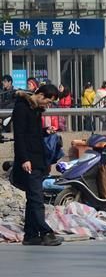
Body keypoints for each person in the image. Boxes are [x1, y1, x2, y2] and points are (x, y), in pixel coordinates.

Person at [11, 84, 63, 246]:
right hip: (29, 161)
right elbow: (19, 136)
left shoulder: (34, 110)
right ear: (39, 94)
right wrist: (24, 159)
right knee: (36, 198)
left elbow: (32, 133)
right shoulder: (21, 108)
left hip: (38, 159)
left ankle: (31, 235)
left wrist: (45, 131)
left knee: (33, 198)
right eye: (47, 101)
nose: (47, 105)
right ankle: (46, 232)